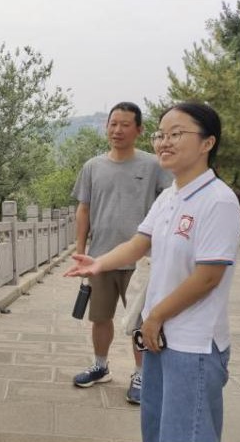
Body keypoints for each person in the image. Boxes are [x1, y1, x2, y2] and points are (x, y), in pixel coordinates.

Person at [66, 102, 240, 442]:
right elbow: (139, 242)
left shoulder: (217, 200)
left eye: (176, 134)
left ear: (207, 143)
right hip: (159, 338)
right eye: (161, 135)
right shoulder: (171, 196)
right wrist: (98, 262)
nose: (164, 142)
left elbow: (208, 276)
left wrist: (155, 316)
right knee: (158, 429)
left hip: (193, 344)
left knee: (186, 433)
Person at [71, 102, 172, 405]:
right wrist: (80, 250)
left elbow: (169, 205)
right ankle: (100, 366)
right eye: (113, 124)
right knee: (100, 317)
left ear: (139, 130)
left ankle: (141, 374)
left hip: (141, 260)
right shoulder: (93, 166)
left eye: (125, 125)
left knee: (140, 321)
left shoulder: (154, 165)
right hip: (100, 259)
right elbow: (84, 209)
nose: (117, 130)